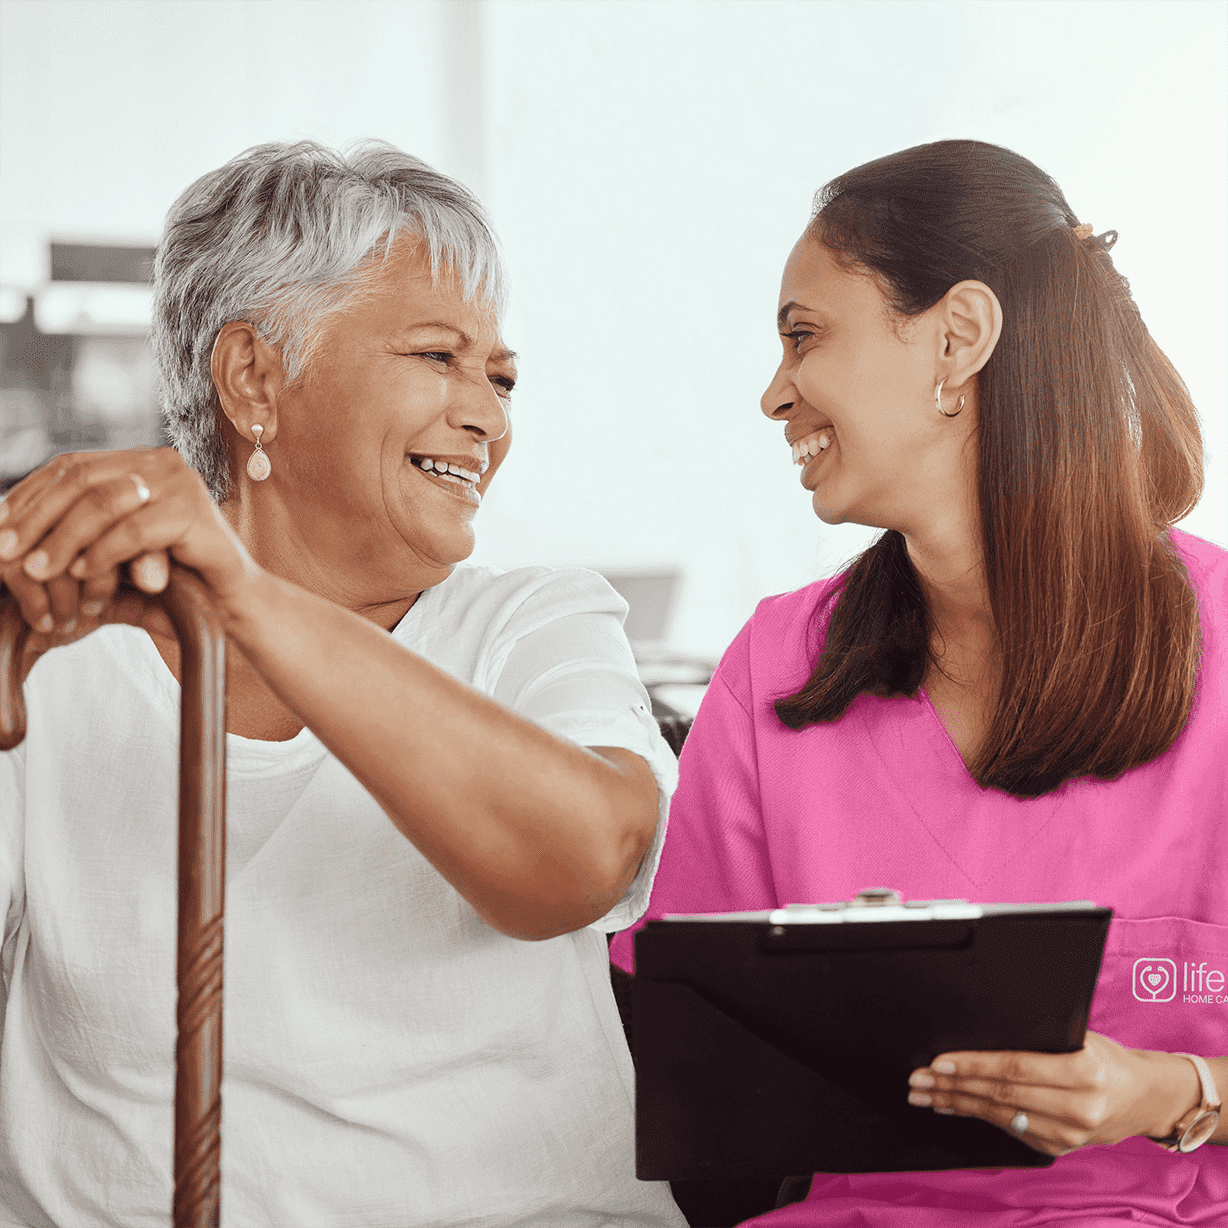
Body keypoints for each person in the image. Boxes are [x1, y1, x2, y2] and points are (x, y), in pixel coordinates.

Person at [0, 140, 686, 1228]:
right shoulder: (67, 666)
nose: (489, 417)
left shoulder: (531, 621)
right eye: (437, 358)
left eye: (499, 377)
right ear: (255, 379)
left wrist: (247, 603)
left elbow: (583, 862)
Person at [611, 139, 1227, 1225]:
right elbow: (703, 1081)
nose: (773, 394)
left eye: (804, 337)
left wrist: (1170, 1092)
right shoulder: (775, 671)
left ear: (957, 338)